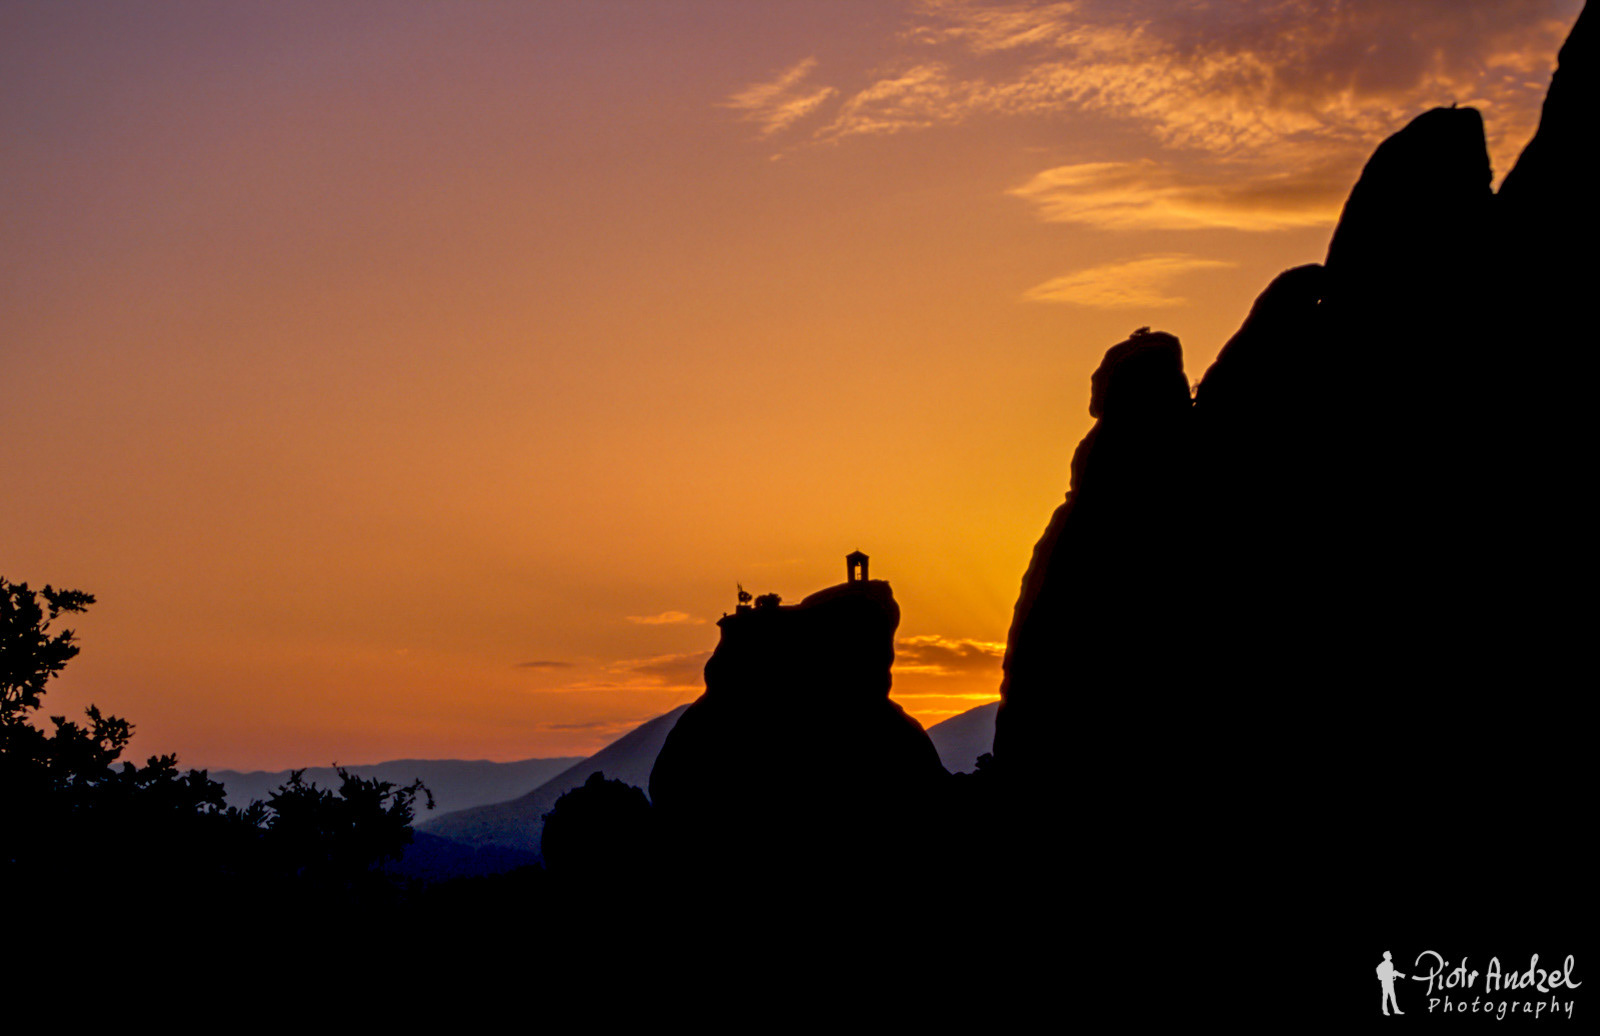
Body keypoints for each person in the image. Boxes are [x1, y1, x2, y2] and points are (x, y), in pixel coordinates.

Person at [1377, 951, 1406, 1016]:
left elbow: (1389, 974)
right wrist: (1392, 974)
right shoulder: (1382, 965)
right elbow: (1380, 977)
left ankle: (1396, 1010)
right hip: (1385, 983)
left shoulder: (1391, 964)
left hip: (1390, 983)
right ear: (1386, 956)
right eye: (1390, 954)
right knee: (1385, 997)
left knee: (1393, 997)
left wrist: (1393, 975)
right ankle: (1385, 1011)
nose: (1391, 955)